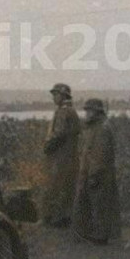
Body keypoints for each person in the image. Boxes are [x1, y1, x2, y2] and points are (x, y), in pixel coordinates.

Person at [72, 98, 121, 245]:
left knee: (100, 206)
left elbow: (100, 155)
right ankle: (90, 234)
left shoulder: (102, 129)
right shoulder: (93, 128)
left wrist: (93, 175)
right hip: (91, 173)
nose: (86, 113)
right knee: (91, 205)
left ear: (97, 112)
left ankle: (101, 237)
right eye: (86, 110)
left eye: (89, 110)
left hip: (99, 175)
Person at [42, 82, 82, 227]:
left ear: (63, 95)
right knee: (67, 187)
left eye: (56, 94)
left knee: (56, 186)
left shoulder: (63, 112)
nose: (53, 98)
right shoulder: (71, 111)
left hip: (61, 157)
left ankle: (55, 219)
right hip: (70, 156)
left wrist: (48, 146)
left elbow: (58, 134)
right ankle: (64, 217)